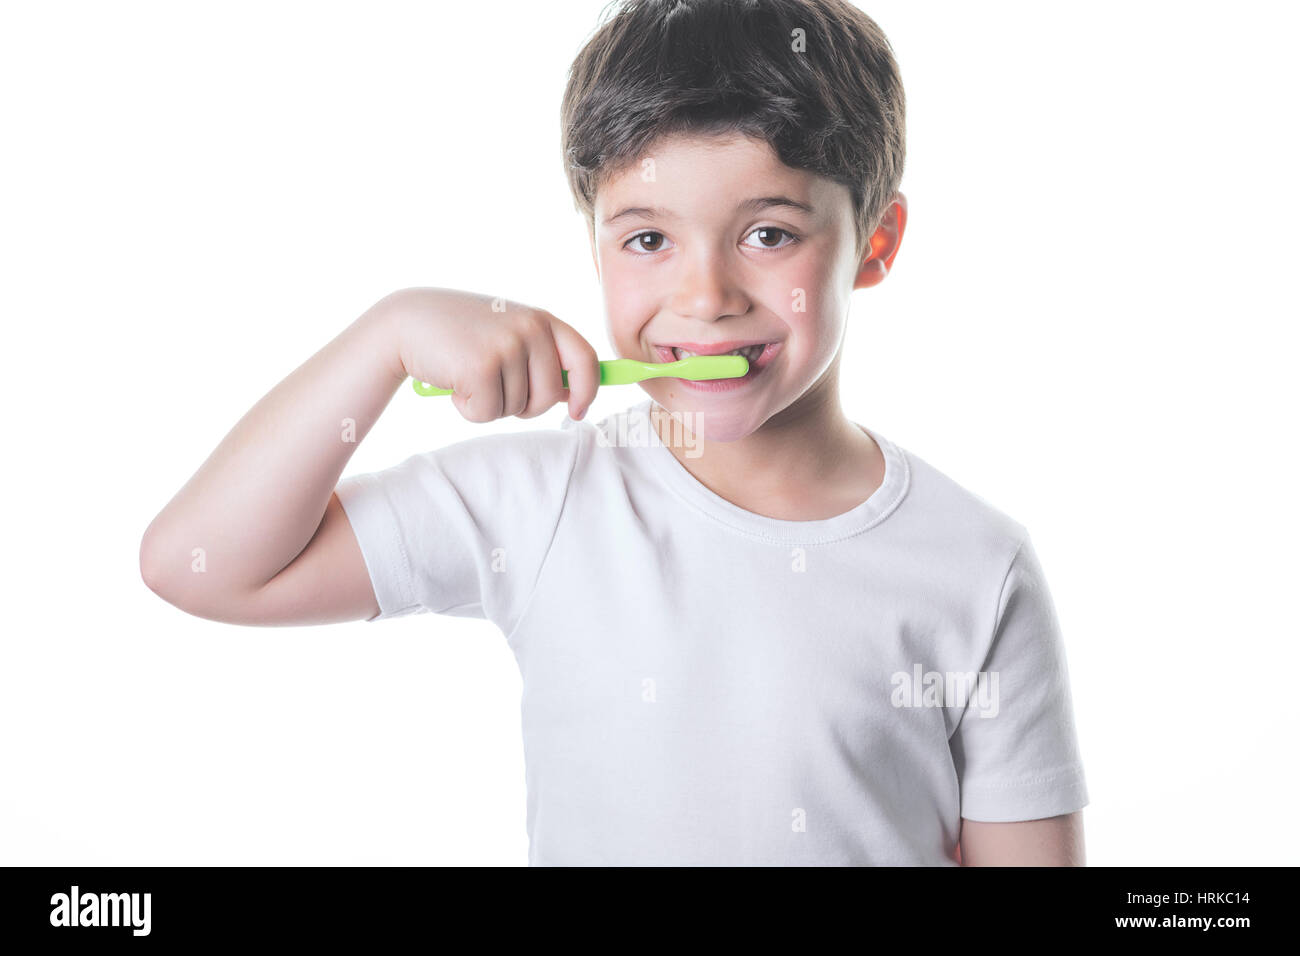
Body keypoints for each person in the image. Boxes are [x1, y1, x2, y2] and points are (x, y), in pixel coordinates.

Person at [141, 0, 1088, 866]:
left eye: (768, 234)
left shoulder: (975, 566)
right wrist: (385, 339)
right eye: (647, 240)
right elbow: (199, 564)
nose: (705, 298)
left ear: (875, 242)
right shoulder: (543, 501)